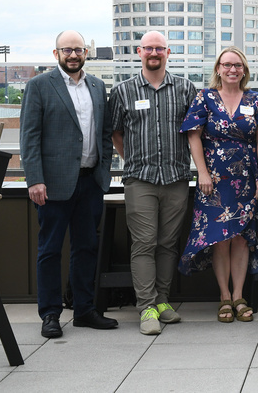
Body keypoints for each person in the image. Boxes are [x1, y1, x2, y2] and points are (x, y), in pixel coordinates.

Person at [20, 30, 118, 338]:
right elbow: (29, 137)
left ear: (86, 52)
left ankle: (84, 310)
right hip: (52, 185)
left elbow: (104, 134)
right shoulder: (39, 86)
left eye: (78, 49)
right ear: (56, 54)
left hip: (90, 183)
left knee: (86, 248)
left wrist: (103, 171)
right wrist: (35, 179)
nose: (73, 55)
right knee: (50, 250)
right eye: (67, 50)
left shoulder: (97, 86)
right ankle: (50, 314)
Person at [109, 31, 197, 335]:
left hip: (176, 178)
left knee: (168, 243)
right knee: (144, 243)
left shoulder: (185, 88)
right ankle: (146, 307)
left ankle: (162, 301)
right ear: (139, 52)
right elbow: (116, 132)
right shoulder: (123, 91)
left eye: (160, 48)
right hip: (140, 180)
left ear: (168, 52)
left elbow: (194, 132)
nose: (154, 53)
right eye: (149, 48)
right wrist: (134, 159)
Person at [179, 47, 258, 323]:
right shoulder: (205, 97)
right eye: (227, 65)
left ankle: (239, 296)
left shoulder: (255, 99)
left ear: (244, 70)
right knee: (220, 239)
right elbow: (193, 136)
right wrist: (202, 173)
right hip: (214, 181)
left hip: (247, 179)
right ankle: (224, 296)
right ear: (218, 69)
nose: (232, 69)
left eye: (238, 65)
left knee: (241, 238)